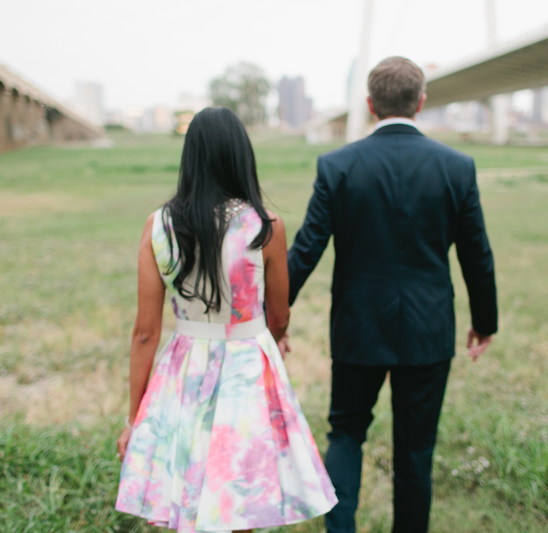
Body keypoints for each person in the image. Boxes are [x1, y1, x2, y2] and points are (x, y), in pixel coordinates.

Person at [286, 57, 498, 533]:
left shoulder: (337, 166)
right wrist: (485, 323)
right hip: (428, 330)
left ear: (369, 104)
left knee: (345, 434)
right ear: (421, 102)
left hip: (357, 328)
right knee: (416, 449)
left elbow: (305, 252)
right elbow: (476, 256)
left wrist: (272, 316)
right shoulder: (456, 167)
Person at [115, 107, 337, 532]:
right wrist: (277, 337)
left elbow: (145, 334)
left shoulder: (158, 226)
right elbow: (279, 313)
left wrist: (134, 419)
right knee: (241, 496)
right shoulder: (265, 227)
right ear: (241, 156)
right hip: (247, 368)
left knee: (187, 491)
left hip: (183, 370)